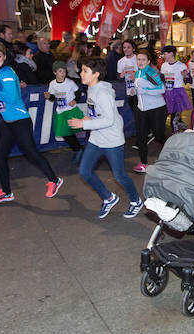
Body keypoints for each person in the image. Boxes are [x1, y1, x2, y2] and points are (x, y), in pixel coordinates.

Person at [0, 41, 63, 204]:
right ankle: (6, 192)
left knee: (31, 153)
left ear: (4, 57)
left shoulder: (7, 73)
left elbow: (11, 97)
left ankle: (54, 180)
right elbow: (8, 95)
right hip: (7, 122)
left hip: (20, 121)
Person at [68, 57, 143, 219]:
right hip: (96, 138)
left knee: (120, 176)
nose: (81, 73)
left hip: (112, 141)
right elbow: (97, 113)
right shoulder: (91, 88)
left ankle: (136, 201)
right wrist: (88, 119)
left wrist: (83, 123)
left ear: (96, 74)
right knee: (85, 171)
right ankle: (108, 197)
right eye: (82, 70)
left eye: (85, 71)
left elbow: (109, 120)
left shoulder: (102, 93)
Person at [132, 50, 167, 173]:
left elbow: (162, 89)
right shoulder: (137, 73)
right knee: (141, 137)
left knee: (158, 136)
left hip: (157, 109)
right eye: (138, 59)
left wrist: (145, 90)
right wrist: (135, 92)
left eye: (143, 60)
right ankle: (143, 163)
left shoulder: (150, 73)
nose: (140, 62)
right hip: (142, 110)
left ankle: (173, 149)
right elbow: (140, 90)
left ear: (148, 61)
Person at [45, 61, 84, 162]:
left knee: (70, 131)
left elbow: (78, 92)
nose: (63, 73)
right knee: (64, 133)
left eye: (64, 71)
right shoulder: (52, 84)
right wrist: (49, 97)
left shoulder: (70, 83)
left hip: (70, 110)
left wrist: (75, 100)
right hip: (61, 111)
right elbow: (53, 97)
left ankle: (78, 149)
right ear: (55, 72)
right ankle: (78, 149)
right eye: (60, 71)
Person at [160, 45, 192, 133]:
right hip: (168, 94)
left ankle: (177, 138)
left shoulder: (181, 65)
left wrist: (186, 75)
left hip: (178, 94)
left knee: (173, 120)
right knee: (173, 118)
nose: (163, 56)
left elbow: (190, 80)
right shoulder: (164, 65)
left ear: (171, 54)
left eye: (165, 53)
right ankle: (188, 130)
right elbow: (162, 78)